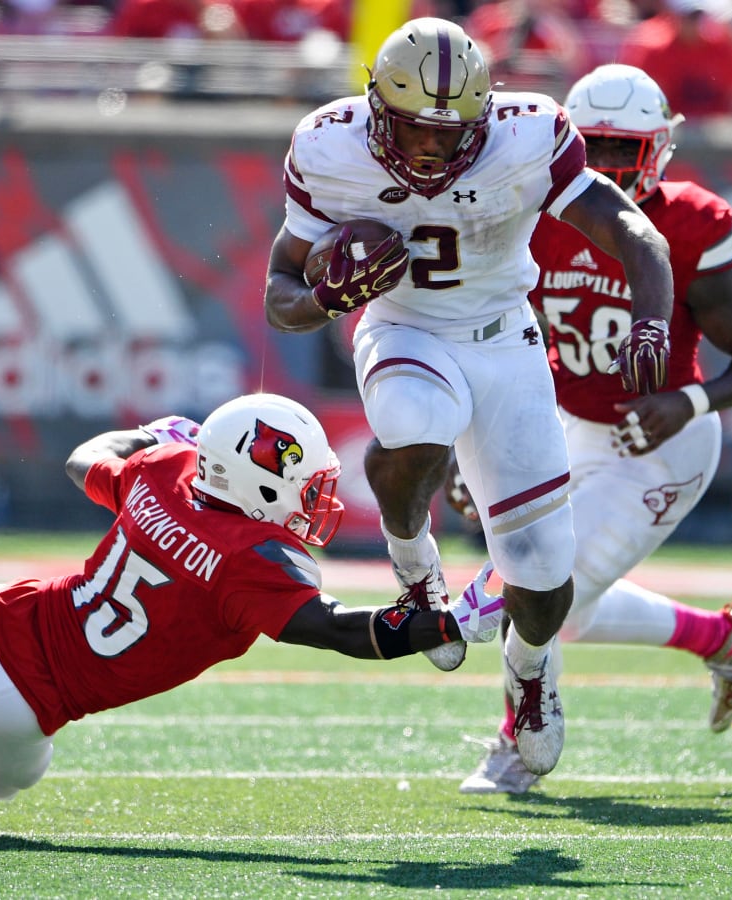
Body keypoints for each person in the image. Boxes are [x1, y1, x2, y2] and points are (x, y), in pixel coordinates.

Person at [0, 393, 504, 833]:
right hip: (23, 701)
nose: (315, 504)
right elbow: (338, 632)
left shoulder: (165, 470)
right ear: (255, 483)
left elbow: (84, 458)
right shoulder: (251, 563)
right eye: (303, 488)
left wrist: (146, 433)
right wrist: (451, 622)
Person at [263, 16, 677, 780]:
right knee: (412, 422)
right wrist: (325, 296)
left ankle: (530, 671)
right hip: (404, 329)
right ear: (376, 108)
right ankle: (416, 567)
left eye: (448, 135)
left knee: (544, 573)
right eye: (414, 129)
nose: (429, 149)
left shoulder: (527, 135)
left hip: (505, 340)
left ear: (483, 120)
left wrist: (652, 317)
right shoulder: (327, 145)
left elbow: (631, 229)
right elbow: (278, 296)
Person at [451, 64, 732, 793]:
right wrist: (467, 443)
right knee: (561, 607)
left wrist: (688, 401)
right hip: (568, 425)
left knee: (541, 585)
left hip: (661, 448)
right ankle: (722, 637)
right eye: (591, 147)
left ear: (658, 148)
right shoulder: (532, 216)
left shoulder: (690, 222)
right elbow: (501, 333)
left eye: (619, 149)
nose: (603, 166)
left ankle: (516, 746)